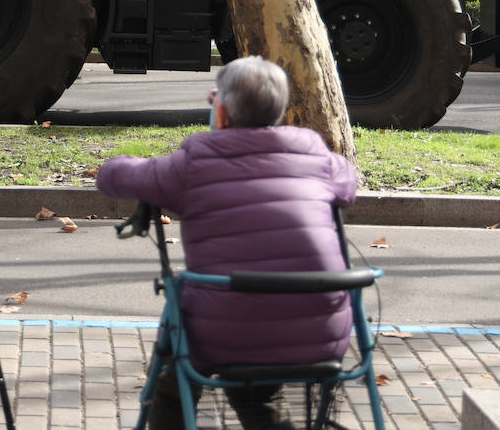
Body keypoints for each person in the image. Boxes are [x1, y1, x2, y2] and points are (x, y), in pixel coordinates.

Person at [97, 56, 358, 430]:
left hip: (224, 334)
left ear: (222, 109)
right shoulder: (313, 150)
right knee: (257, 383)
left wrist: (119, 161)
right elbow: (346, 185)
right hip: (321, 334)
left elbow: (113, 177)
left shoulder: (195, 160)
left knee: (178, 375)